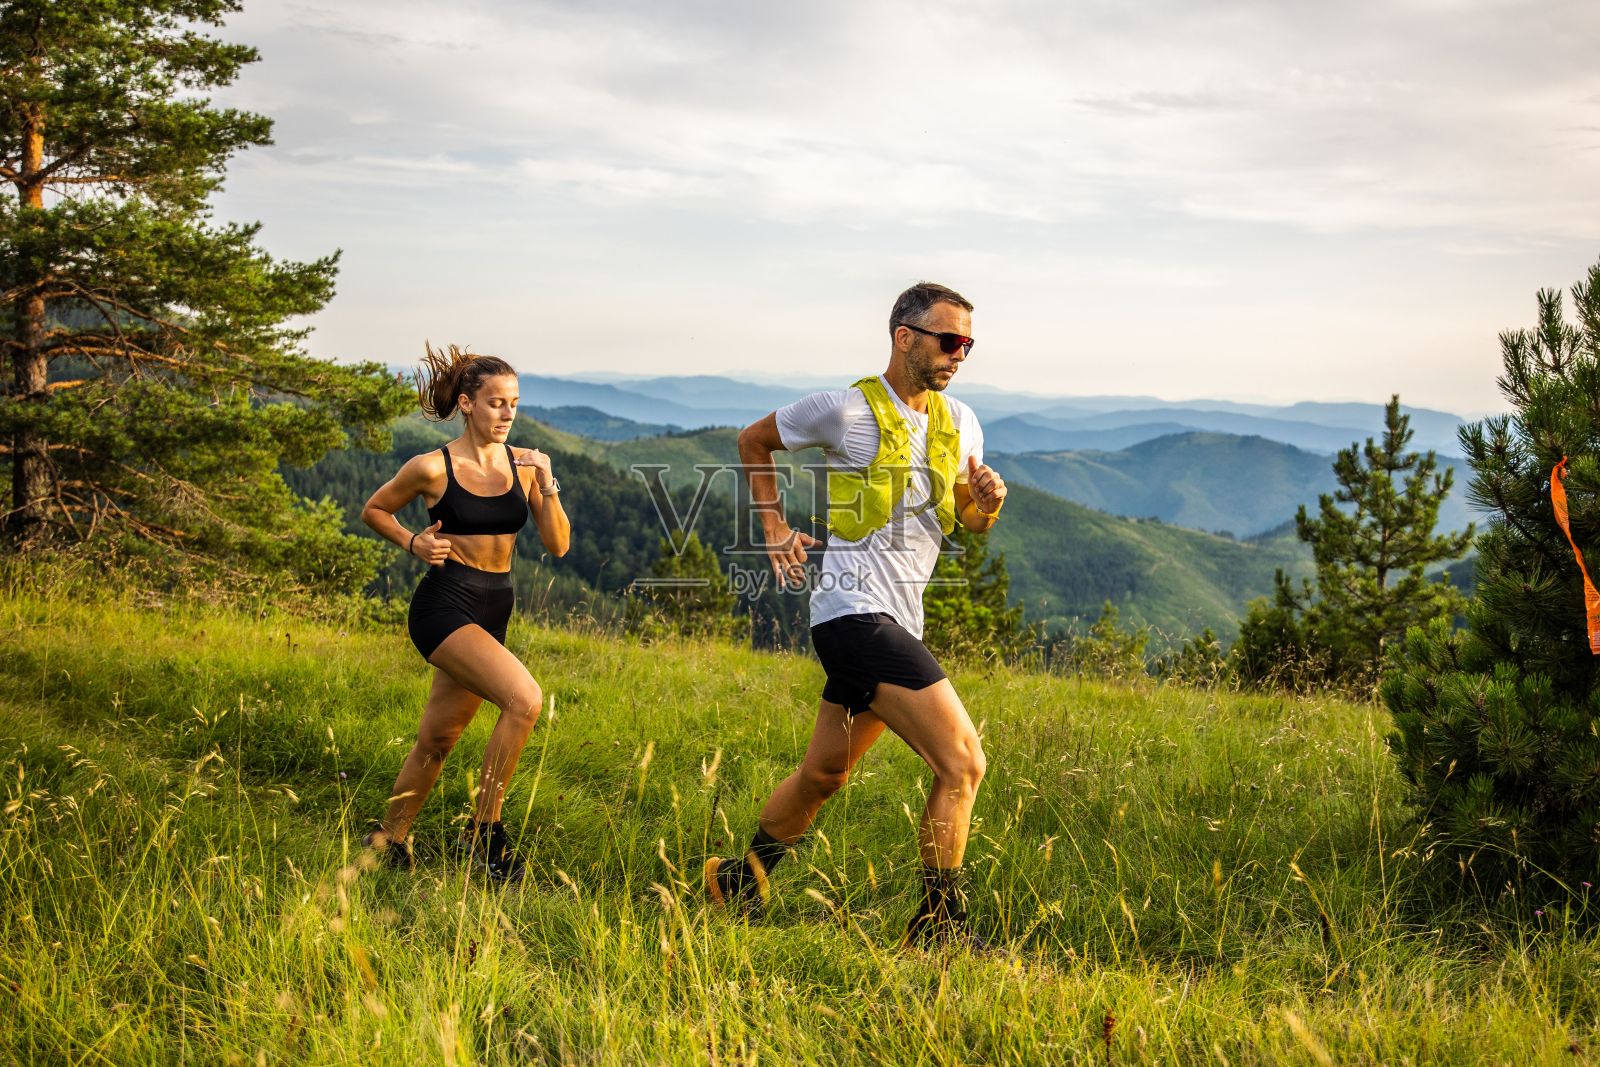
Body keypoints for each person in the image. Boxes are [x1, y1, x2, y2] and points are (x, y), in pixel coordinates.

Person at [706, 282, 1007, 947]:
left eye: (968, 343)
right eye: (948, 340)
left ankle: (736, 880)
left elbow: (970, 520)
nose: (959, 354)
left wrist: (989, 502)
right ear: (905, 337)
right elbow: (753, 440)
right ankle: (938, 928)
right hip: (852, 613)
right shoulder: (844, 410)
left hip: (898, 618)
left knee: (825, 774)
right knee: (963, 763)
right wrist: (773, 526)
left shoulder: (963, 422)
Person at [358, 344, 570, 880]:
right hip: (445, 604)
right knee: (524, 700)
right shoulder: (432, 467)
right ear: (468, 403)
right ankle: (484, 831)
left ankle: (388, 839)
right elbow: (375, 509)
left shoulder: (523, 467)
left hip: (496, 605)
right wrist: (412, 543)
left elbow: (558, 544)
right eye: (496, 403)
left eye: (514, 403)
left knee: (439, 738)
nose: (507, 413)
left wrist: (548, 483)